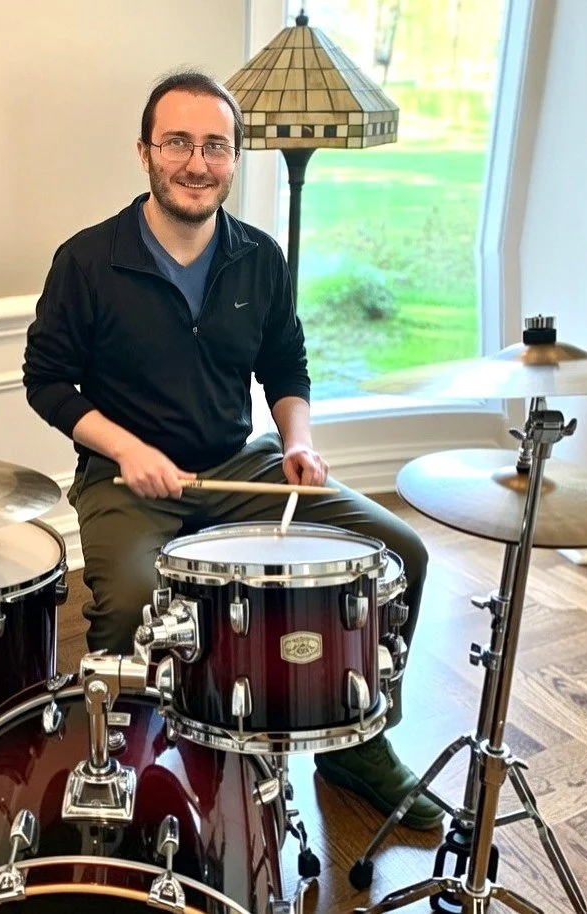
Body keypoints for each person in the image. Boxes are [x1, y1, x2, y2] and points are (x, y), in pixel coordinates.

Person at [23, 68, 442, 831]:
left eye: (216, 146)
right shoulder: (86, 261)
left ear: (234, 158)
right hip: (127, 478)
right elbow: (47, 382)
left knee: (398, 552)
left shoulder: (260, 257)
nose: (197, 162)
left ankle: (362, 743)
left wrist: (299, 443)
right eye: (178, 142)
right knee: (130, 599)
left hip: (237, 464)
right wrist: (128, 449)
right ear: (145, 151)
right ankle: (140, 771)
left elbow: (286, 365)